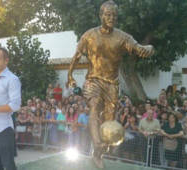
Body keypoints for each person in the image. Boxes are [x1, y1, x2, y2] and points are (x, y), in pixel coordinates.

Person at [67, 0, 154, 167]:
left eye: (114, 15)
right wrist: (70, 75)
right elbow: (77, 56)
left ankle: (99, 151)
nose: (111, 18)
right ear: (101, 15)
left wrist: (148, 49)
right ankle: (97, 144)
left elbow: (137, 48)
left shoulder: (123, 37)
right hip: (93, 80)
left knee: (109, 122)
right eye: (108, 14)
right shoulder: (89, 35)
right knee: (94, 106)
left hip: (112, 85)